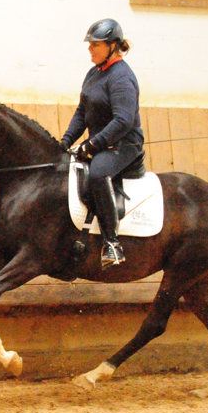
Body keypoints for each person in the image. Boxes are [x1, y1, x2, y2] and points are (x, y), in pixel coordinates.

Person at [60, 18, 145, 269]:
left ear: (112, 46)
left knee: (97, 174)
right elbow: (81, 113)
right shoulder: (94, 73)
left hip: (123, 145)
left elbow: (123, 121)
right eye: (90, 44)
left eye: (95, 45)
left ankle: (112, 244)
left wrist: (92, 145)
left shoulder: (121, 77)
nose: (90, 49)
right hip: (99, 142)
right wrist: (66, 141)